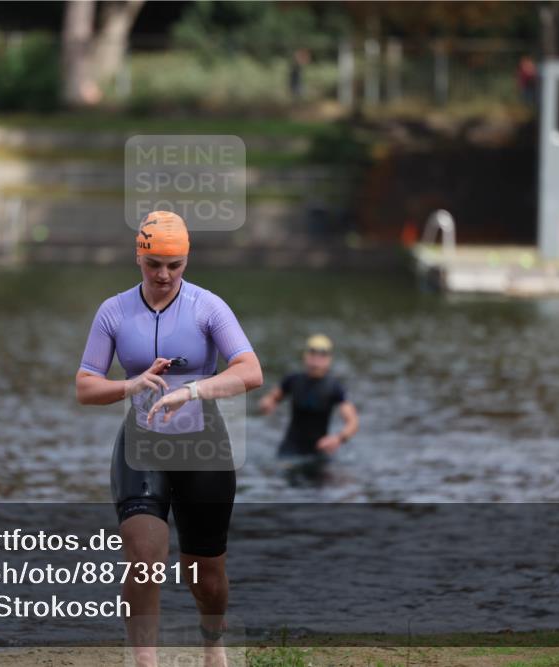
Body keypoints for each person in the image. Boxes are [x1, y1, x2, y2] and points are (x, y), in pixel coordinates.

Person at [76, 211, 263, 667]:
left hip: (204, 446)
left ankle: (212, 646)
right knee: (143, 553)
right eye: (154, 264)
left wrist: (194, 390)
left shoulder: (208, 307)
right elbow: (85, 385)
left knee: (206, 575)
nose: (164, 275)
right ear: (139, 257)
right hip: (142, 444)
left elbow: (250, 371)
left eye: (174, 265)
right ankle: (145, 661)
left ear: (186, 261)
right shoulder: (114, 312)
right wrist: (130, 386)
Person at [258, 334, 358, 482]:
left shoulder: (335, 388)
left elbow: (353, 421)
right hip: (290, 450)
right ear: (305, 356)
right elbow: (271, 398)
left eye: (322, 354)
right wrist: (266, 404)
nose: (316, 359)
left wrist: (338, 438)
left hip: (318, 452)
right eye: (313, 353)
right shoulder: (293, 380)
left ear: (329, 359)